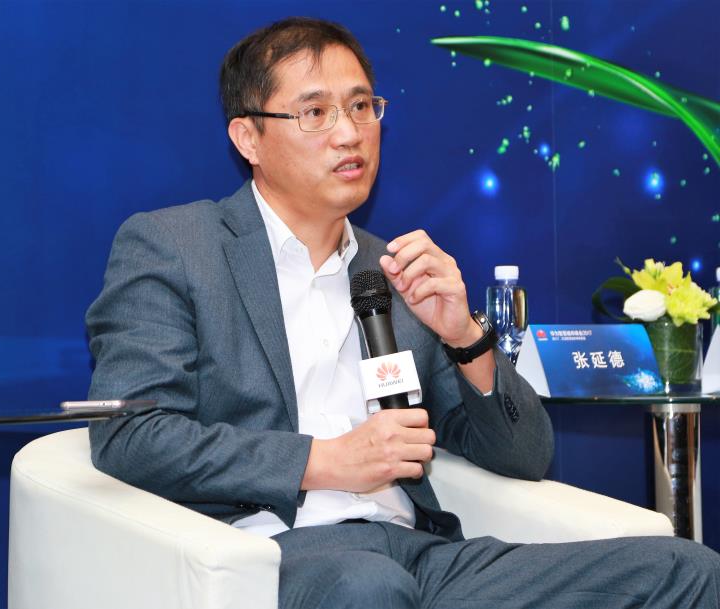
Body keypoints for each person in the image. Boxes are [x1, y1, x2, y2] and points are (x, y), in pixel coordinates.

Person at [86, 16, 720, 609]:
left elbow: (524, 456)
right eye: (315, 112)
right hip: (272, 554)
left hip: (424, 556)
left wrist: (465, 336)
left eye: (362, 106)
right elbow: (130, 436)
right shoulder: (176, 247)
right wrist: (322, 461)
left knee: (685, 569)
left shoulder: (394, 269)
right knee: (369, 586)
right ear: (248, 136)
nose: (349, 133)